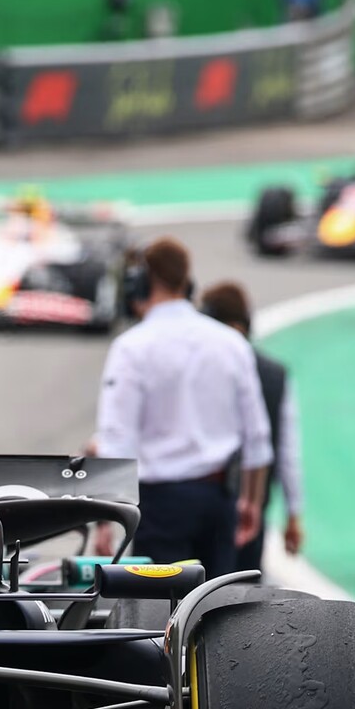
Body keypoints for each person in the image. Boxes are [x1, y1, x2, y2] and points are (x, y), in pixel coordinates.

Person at [93, 238, 271, 578]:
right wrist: (251, 501)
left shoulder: (131, 348)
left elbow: (116, 440)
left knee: (160, 607)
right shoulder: (231, 343)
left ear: (140, 284)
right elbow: (258, 436)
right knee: (217, 606)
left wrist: (106, 519)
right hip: (218, 500)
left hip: (160, 505)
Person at [199, 281, 303, 575]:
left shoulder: (200, 367)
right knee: (242, 595)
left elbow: (284, 449)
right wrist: (294, 513)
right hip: (248, 507)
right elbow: (287, 451)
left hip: (211, 504)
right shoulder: (275, 375)